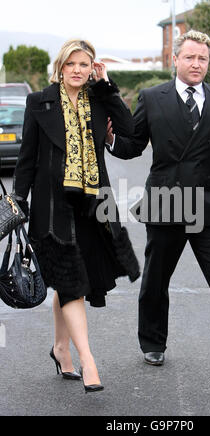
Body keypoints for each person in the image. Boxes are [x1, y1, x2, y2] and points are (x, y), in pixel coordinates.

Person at [106, 30, 210, 377]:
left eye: (202, 59)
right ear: (175, 60)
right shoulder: (152, 97)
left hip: (209, 207)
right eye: (190, 57)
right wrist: (111, 137)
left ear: (208, 62)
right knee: (156, 280)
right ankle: (153, 343)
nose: (196, 64)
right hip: (166, 203)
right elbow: (134, 145)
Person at [14, 39, 138, 393]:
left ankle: (60, 348)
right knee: (70, 281)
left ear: (92, 68)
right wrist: (19, 200)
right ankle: (88, 361)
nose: (78, 70)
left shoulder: (99, 100)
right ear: (61, 67)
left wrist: (108, 85)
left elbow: (129, 131)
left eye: (85, 64)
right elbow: (27, 157)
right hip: (52, 208)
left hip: (92, 207)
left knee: (74, 280)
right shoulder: (40, 102)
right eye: (72, 64)